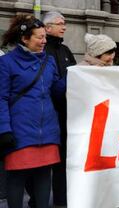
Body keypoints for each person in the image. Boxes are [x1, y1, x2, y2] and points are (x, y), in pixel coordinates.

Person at [0, 14, 65, 208]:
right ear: (24, 39)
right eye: (40, 37)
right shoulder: (6, 62)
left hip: (48, 130)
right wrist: (4, 129)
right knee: (17, 177)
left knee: (44, 176)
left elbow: (56, 91)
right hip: (19, 130)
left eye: (45, 36)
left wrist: (78, 74)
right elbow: (1, 98)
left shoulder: (49, 61)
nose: (45, 41)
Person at [36, 11, 76, 207]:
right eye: (60, 23)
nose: (64, 27)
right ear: (48, 27)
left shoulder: (66, 50)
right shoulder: (42, 51)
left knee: (65, 160)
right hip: (48, 113)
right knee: (44, 162)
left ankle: (63, 199)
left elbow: (77, 76)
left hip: (68, 113)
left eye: (65, 23)